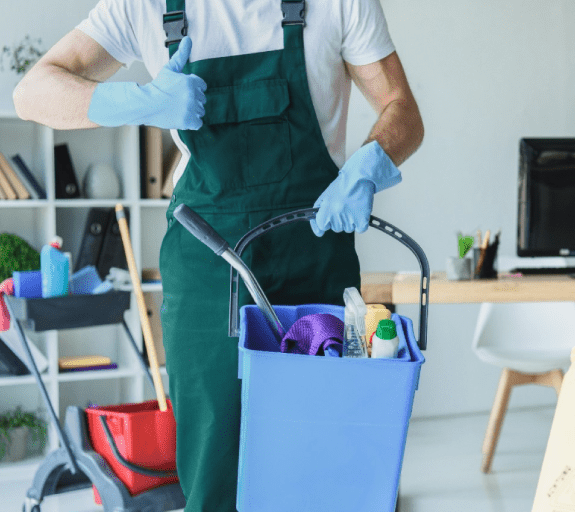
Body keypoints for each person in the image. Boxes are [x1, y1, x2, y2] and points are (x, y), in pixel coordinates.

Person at [12, 0, 423, 509]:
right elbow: (32, 93)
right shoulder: (144, 6)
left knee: (323, 456)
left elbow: (402, 108)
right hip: (209, 264)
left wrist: (369, 163)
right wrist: (138, 101)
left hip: (313, 252)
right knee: (214, 460)